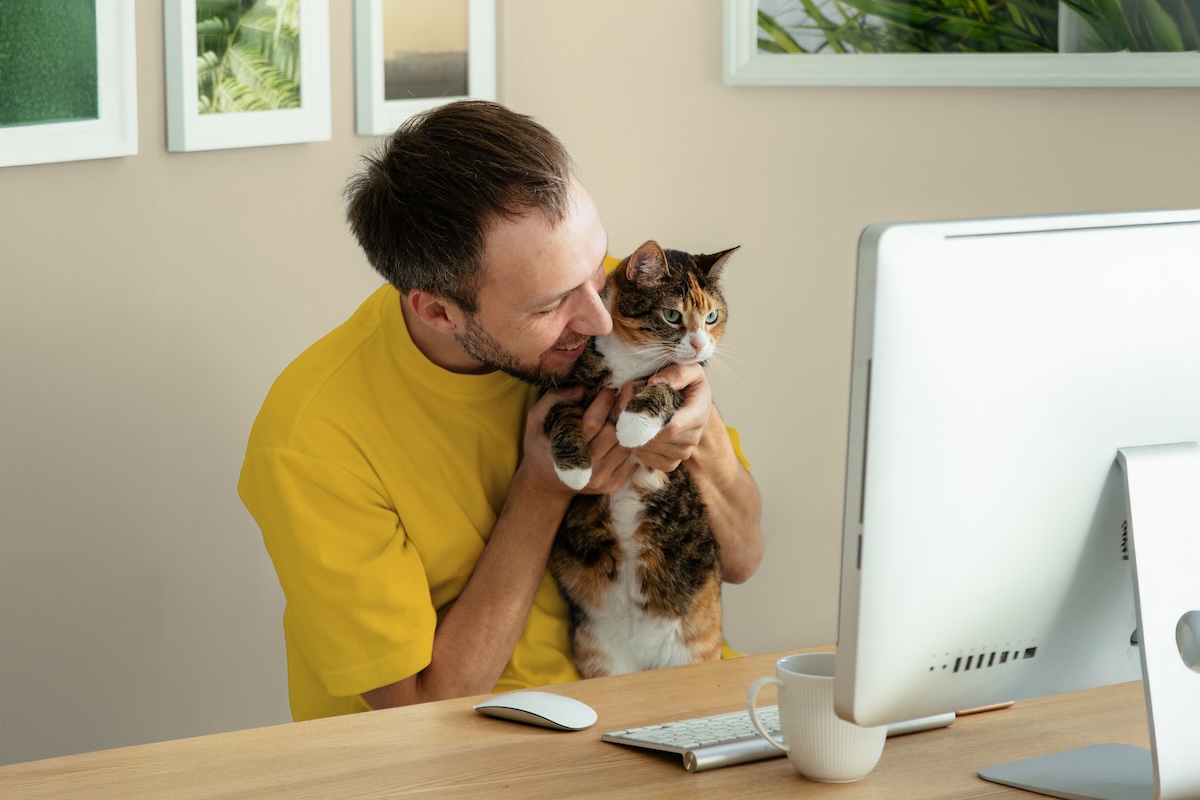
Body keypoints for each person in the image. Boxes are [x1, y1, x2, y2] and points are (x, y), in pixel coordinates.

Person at [238, 100, 764, 722]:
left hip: (677, 701)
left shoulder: (628, 300)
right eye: (551, 306)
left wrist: (702, 440)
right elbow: (423, 708)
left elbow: (743, 557)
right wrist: (541, 491)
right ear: (438, 311)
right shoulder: (312, 437)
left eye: (597, 268)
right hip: (483, 755)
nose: (598, 319)